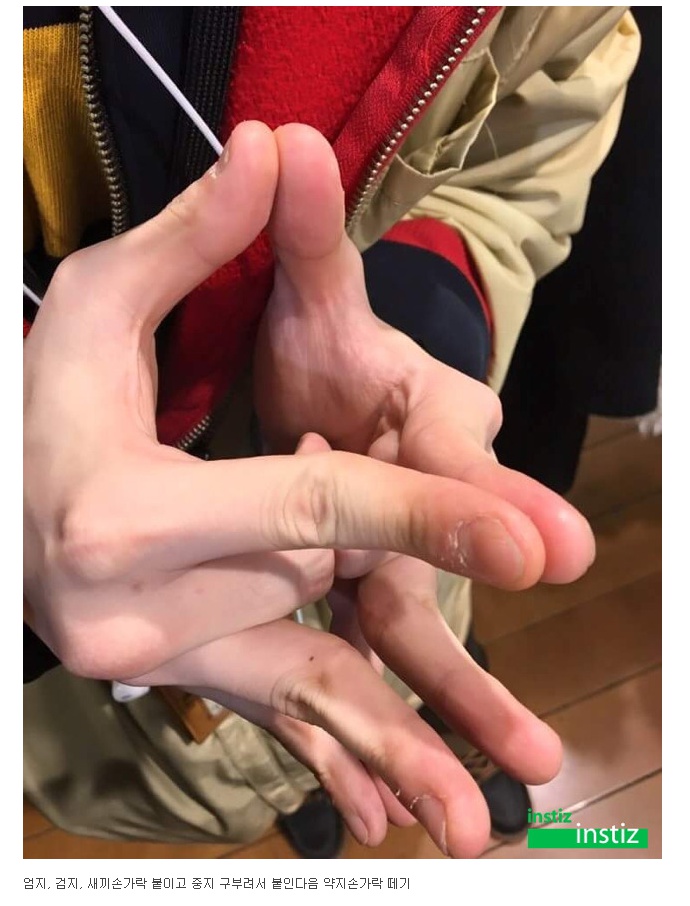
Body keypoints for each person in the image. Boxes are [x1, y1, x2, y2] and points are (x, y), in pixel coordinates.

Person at [23, 6, 642, 859]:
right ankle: (280, 786)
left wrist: (418, 319)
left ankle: (317, 771)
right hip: (95, 718)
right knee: (251, 771)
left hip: (393, 562)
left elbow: (542, 122)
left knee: (410, 658)